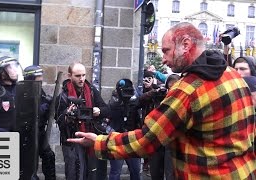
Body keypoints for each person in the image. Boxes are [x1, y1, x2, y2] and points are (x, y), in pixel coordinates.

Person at [67, 22, 256, 179]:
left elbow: (147, 139)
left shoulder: (188, 90)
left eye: (166, 51)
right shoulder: (232, 74)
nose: (163, 59)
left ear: (186, 44)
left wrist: (99, 142)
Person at [55, 62, 110, 180]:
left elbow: (107, 110)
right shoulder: (63, 96)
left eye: (84, 75)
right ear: (70, 76)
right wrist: (68, 115)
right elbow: (59, 122)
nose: (82, 79)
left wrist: (98, 110)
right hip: (72, 142)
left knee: (92, 174)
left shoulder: (91, 91)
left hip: (90, 137)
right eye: (78, 76)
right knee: (74, 175)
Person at [23, 65, 56, 180]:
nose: (41, 78)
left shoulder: (38, 89)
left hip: (40, 132)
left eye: (41, 75)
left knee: (49, 156)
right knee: (31, 163)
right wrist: (46, 105)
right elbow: (32, 111)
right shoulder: (24, 92)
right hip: (28, 134)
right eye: (38, 76)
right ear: (31, 78)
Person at [107, 79, 141, 180]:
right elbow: (109, 121)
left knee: (135, 171)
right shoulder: (113, 104)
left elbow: (138, 120)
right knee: (115, 172)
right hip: (117, 141)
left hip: (133, 140)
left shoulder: (135, 103)